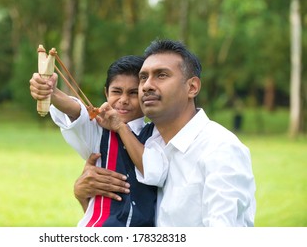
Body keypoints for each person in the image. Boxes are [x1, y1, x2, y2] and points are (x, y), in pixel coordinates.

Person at [74, 39, 256, 227]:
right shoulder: (145, 145)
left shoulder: (219, 149)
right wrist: (85, 197)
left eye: (161, 75)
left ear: (192, 87)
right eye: (143, 77)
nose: (147, 86)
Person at [29, 55, 157, 227]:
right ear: (106, 93)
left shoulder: (156, 133)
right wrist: (52, 93)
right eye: (116, 92)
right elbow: (77, 112)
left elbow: (155, 170)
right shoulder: (98, 131)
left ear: (144, 94)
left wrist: (120, 126)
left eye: (133, 93)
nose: (124, 100)